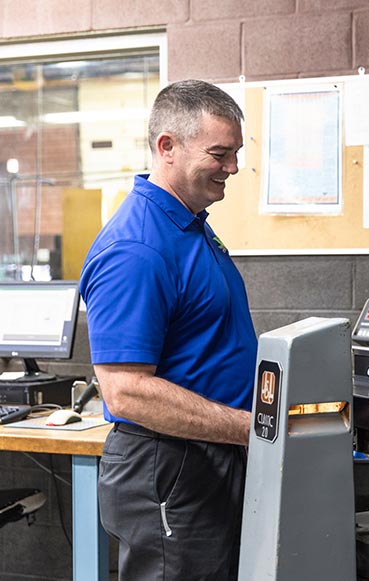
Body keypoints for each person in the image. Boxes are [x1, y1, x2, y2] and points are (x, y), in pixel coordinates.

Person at [79, 80, 257, 580]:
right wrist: (252, 429)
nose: (233, 168)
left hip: (209, 456)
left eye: (237, 153)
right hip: (169, 469)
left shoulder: (190, 226)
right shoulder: (137, 247)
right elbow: (126, 391)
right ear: (167, 148)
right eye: (220, 154)